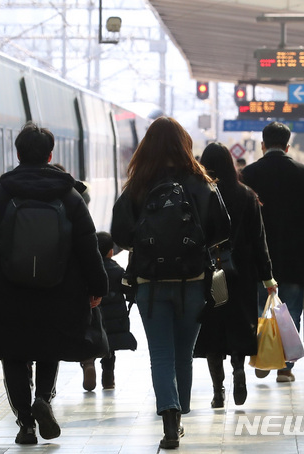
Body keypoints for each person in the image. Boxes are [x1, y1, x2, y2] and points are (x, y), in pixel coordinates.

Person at [0, 122, 108, 445]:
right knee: (50, 349)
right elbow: (88, 245)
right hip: (59, 290)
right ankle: (43, 399)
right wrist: (97, 286)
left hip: (11, 293)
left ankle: (25, 423)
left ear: (17, 154)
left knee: (14, 355)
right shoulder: (70, 196)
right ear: (50, 155)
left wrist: (0, 271)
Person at [111, 116, 230, 449]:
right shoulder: (200, 181)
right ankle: (183, 410)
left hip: (149, 283)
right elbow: (224, 227)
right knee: (183, 354)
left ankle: (170, 420)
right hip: (193, 281)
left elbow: (119, 233)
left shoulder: (138, 183)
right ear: (184, 144)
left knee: (161, 355)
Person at [193, 143, 277, 408]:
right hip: (241, 273)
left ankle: (218, 391)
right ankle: (238, 371)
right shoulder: (247, 196)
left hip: (208, 274)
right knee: (239, 326)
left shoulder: (199, 195)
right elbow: (259, 240)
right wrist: (268, 277)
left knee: (213, 331)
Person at [241, 121, 304, 383]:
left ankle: (262, 355)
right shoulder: (303, 174)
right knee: (290, 313)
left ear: (263, 145)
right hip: (294, 258)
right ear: (288, 146)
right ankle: (286, 368)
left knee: (259, 311)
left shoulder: (249, 174)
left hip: (258, 260)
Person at [79, 231, 137, 391]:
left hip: (91, 316)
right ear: (111, 252)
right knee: (109, 348)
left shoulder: (86, 269)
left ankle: (88, 362)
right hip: (113, 319)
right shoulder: (116, 270)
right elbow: (127, 288)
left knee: (89, 342)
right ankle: (108, 377)